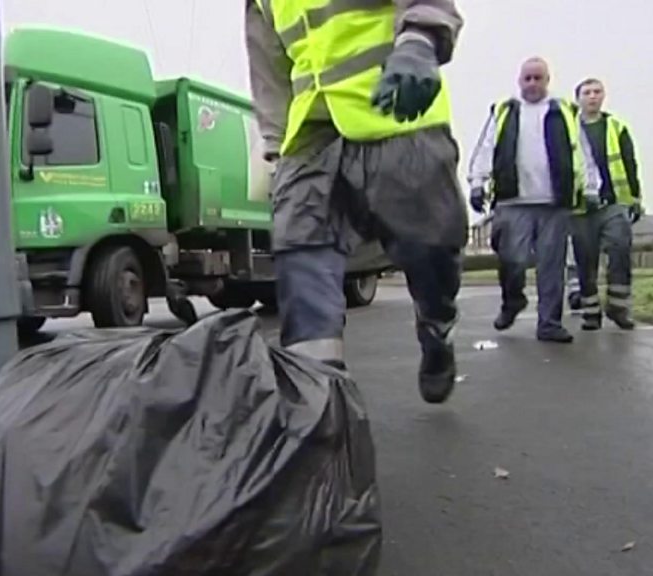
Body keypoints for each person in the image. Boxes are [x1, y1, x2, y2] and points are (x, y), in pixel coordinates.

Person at [244, 0, 468, 404]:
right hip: (311, 134)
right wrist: (276, 146)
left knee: (429, 247)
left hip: (396, 109)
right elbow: (268, 68)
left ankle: (437, 325)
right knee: (300, 253)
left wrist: (420, 40)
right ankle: (318, 400)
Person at [467, 58, 600, 343]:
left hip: (554, 202)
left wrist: (590, 188)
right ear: (519, 80)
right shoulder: (504, 111)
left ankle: (549, 323)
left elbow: (583, 153)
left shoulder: (564, 111)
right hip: (513, 201)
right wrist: (477, 183)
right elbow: (486, 148)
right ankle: (512, 301)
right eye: (527, 78)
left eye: (538, 78)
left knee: (552, 266)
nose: (532, 84)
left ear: (547, 80)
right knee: (512, 260)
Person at [571, 78, 642, 330]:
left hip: (613, 203)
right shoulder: (569, 129)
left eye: (597, 92)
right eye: (587, 92)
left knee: (620, 250)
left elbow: (630, 162)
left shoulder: (616, 126)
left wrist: (635, 197)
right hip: (580, 208)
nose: (592, 96)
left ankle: (619, 307)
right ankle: (591, 311)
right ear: (578, 98)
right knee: (585, 259)